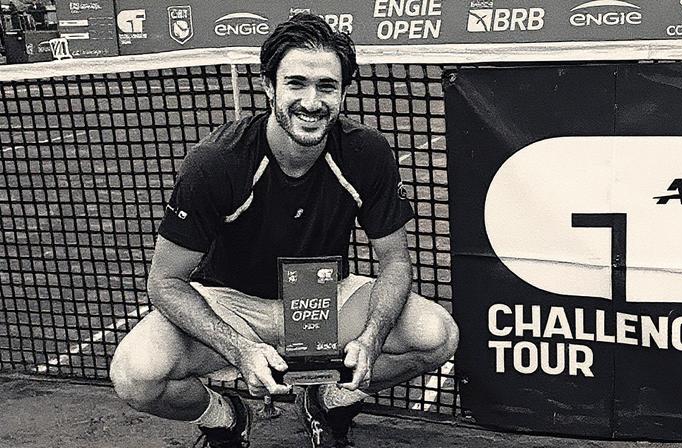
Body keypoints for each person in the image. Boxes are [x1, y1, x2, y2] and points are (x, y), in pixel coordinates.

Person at [109, 13, 459, 448]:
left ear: (343, 92)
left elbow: (394, 261)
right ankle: (225, 417)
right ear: (269, 86)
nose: (311, 101)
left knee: (437, 335)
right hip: (231, 303)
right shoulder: (217, 162)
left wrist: (371, 339)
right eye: (296, 83)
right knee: (136, 375)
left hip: (322, 299)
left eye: (326, 86)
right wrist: (238, 348)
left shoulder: (366, 152)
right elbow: (164, 281)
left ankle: (328, 399)